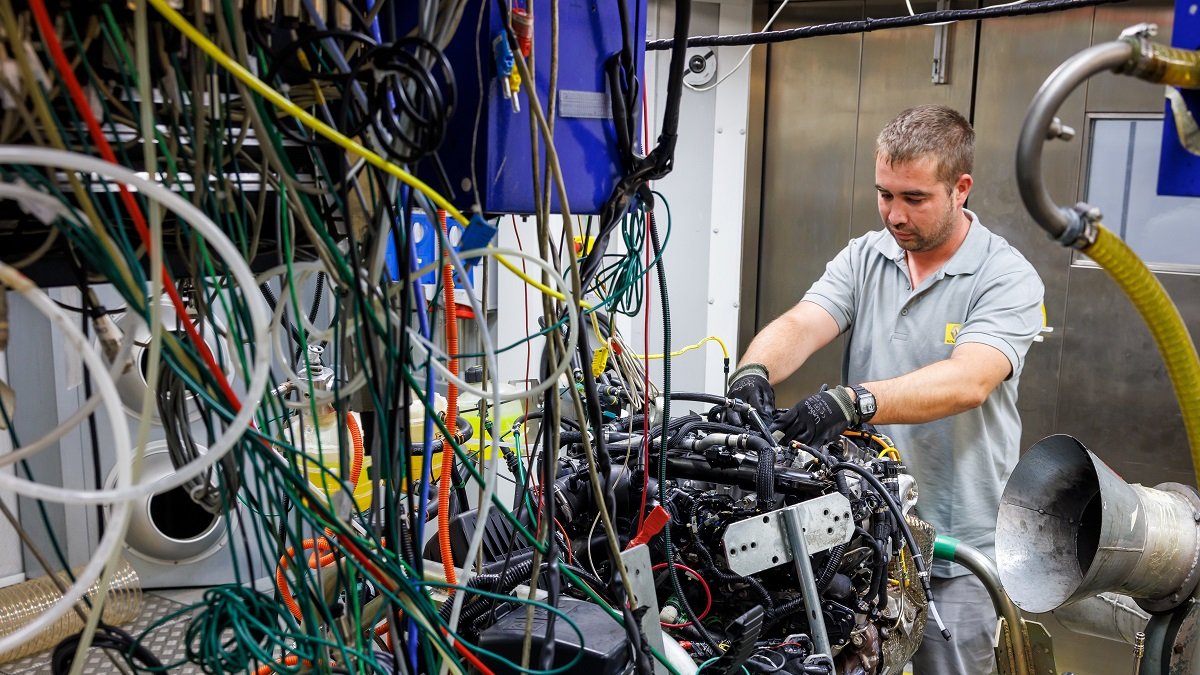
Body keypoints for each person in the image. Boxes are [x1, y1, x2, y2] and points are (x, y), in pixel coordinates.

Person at [725, 105, 1044, 673]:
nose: (895, 214)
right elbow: (804, 321)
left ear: (960, 188)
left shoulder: (1005, 275)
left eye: (914, 198)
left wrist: (855, 400)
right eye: (885, 194)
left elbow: (971, 379)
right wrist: (754, 372)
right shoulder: (866, 256)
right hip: (863, 538)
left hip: (956, 549)